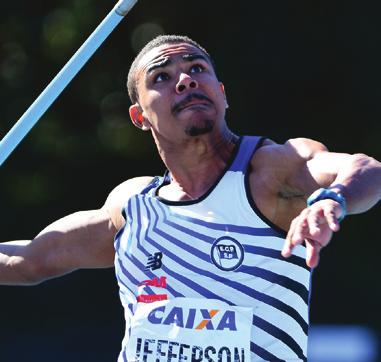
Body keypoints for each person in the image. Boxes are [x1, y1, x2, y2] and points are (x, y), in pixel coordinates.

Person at [0, 34, 380, 362]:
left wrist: (333, 199)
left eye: (197, 69)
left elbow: (367, 168)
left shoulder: (272, 171)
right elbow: (29, 261)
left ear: (222, 93)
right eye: (161, 77)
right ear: (139, 117)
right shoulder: (132, 207)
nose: (184, 80)